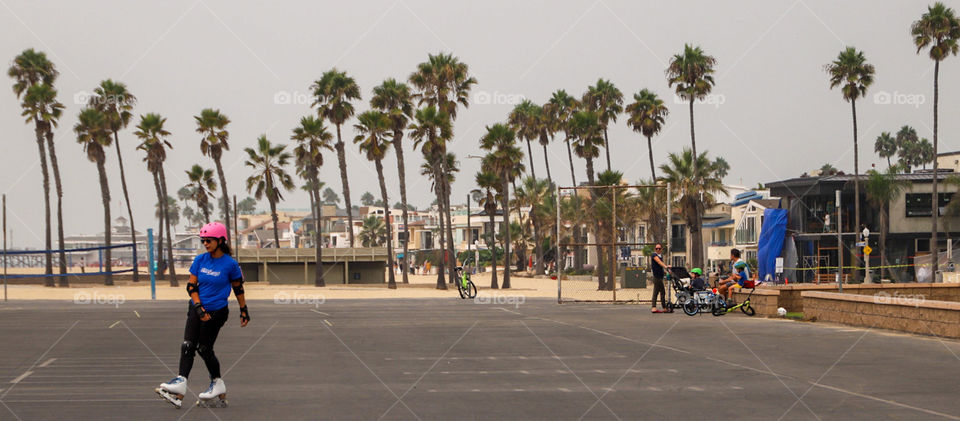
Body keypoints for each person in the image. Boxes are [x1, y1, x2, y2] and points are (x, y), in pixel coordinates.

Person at [156, 222, 249, 408]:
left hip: (218, 311)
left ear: (220, 240)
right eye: (203, 240)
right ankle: (180, 385)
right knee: (187, 344)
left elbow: (238, 288)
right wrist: (198, 307)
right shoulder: (200, 260)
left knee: (204, 348)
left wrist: (243, 310)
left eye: (209, 240)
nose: (205, 243)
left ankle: (217, 383)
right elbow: (191, 287)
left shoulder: (230, 264)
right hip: (196, 308)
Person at [650, 243, 671, 313]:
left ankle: (654, 307)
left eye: (659, 248)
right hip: (657, 277)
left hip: (660, 276)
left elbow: (660, 267)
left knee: (655, 292)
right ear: (655, 249)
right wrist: (665, 266)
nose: (658, 250)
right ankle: (664, 307)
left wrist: (666, 271)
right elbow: (659, 262)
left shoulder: (661, 256)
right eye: (656, 248)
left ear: (661, 249)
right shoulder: (654, 255)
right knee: (662, 292)